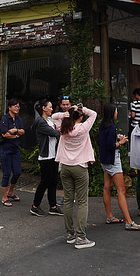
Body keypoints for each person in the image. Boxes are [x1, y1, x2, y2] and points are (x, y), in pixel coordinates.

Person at [53, 103, 97, 249]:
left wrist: (64, 113)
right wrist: (83, 108)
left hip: (65, 166)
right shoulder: (83, 128)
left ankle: (70, 234)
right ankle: (81, 237)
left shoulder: (63, 128)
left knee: (68, 200)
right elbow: (94, 114)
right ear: (80, 117)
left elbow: (53, 117)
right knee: (82, 202)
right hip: (80, 166)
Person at [98, 103, 140, 231]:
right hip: (113, 161)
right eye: (116, 111)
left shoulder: (102, 126)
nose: (117, 113)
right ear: (112, 113)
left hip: (104, 160)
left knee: (107, 187)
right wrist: (121, 142)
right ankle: (129, 221)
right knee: (121, 190)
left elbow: (104, 143)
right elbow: (111, 146)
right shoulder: (111, 127)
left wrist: (116, 138)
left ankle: (109, 216)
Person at [30, 100, 63, 217]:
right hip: (45, 156)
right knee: (44, 182)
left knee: (53, 181)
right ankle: (35, 206)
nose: (52, 109)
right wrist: (60, 131)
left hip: (53, 155)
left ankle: (53, 206)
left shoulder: (50, 120)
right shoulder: (40, 121)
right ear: (44, 108)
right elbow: (54, 133)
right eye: (50, 107)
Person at [0, 98, 25, 207]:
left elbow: (23, 131)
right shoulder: (5, 119)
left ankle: (10, 192)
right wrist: (16, 136)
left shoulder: (18, 119)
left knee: (18, 172)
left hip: (15, 149)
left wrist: (15, 131)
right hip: (5, 149)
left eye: (18, 106)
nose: (17, 108)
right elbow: (5, 134)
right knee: (7, 173)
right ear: (9, 107)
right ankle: (4, 197)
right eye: (15, 106)